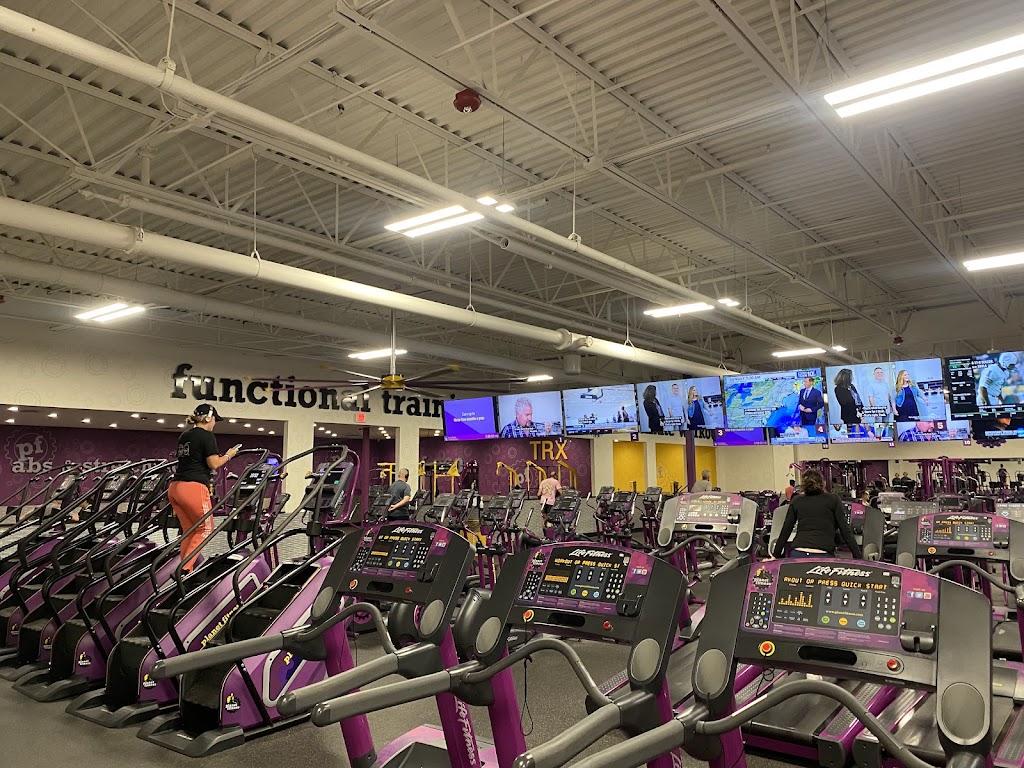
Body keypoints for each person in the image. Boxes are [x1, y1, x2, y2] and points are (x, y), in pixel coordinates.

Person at [168, 404, 239, 572]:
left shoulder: (185, 435)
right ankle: (185, 569)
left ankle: (184, 571)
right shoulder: (207, 436)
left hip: (175, 487)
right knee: (206, 529)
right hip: (194, 487)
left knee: (190, 531)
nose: (214, 423)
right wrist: (229, 455)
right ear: (208, 418)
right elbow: (213, 463)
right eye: (214, 420)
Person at [771, 469, 863, 559]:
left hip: (798, 552)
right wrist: (858, 557)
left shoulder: (796, 501)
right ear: (823, 483)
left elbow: (786, 530)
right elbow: (845, 530)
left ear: (803, 485)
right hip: (823, 553)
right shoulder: (833, 499)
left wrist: (775, 555)